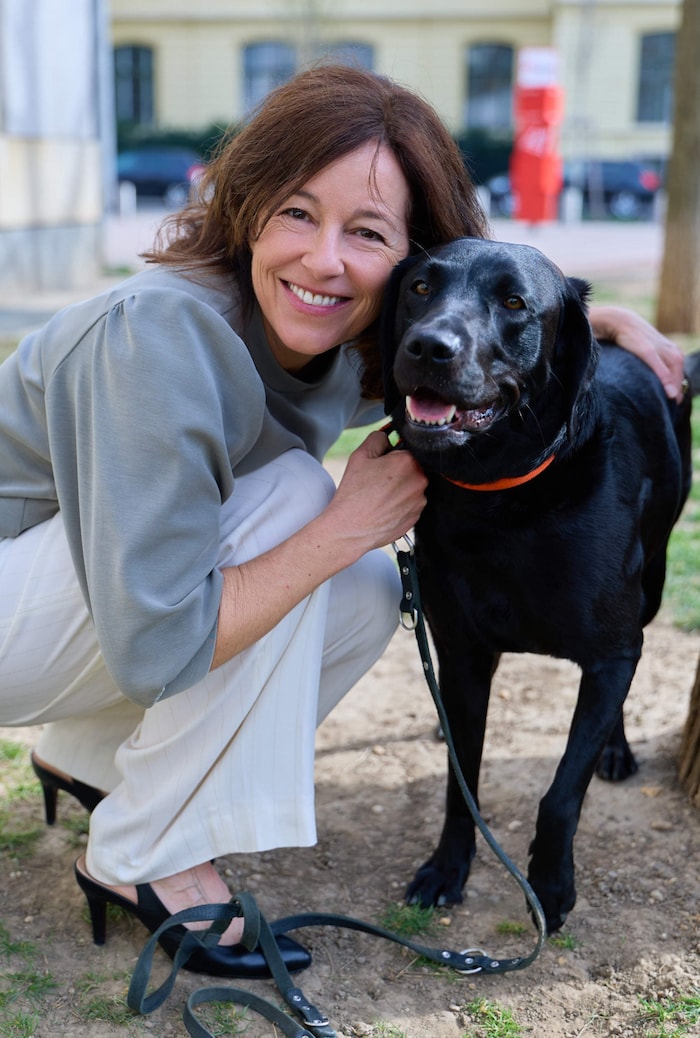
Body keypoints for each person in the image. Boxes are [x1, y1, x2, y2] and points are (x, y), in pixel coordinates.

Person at [0, 64, 685, 978]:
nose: (325, 259)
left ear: (408, 262)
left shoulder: (327, 342)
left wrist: (593, 321)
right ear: (245, 209)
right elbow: (159, 645)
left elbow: (486, 339)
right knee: (297, 500)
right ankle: (139, 858)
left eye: (365, 232)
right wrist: (343, 523)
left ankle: (91, 760)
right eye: (296, 213)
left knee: (360, 590)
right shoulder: (155, 336)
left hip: (64, 616)